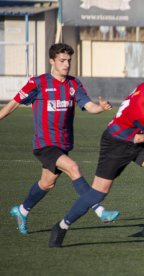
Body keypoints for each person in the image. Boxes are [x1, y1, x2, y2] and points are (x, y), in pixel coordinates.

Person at [48, 71, 144, 248]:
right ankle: (61, 226)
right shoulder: (143, 109)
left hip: (137, 139)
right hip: (116, 144)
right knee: (98, 193)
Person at [0, 43, 119, 236]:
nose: (66, 64)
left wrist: (99, 108)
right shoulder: (37, 83)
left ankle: (21, 211)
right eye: (62, 61)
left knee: (47, 183)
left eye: (68, 61)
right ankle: (100, 211)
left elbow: (88, 105)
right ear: (52, 61)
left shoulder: (73, 84)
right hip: (44, 144)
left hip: (63, 144)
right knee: (74, 168)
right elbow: (14, 103)